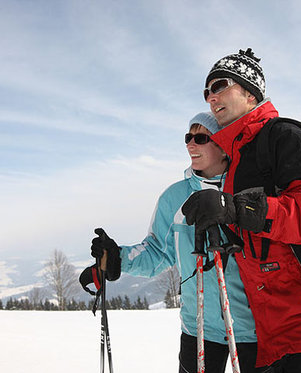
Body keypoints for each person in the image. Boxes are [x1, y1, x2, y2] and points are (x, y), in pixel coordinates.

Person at [181, 49, 301, 372]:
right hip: (272, 340)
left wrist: (237, 208)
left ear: (250, 93)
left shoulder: (282, 137)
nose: (211, 97)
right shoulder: (237, 161)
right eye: (206, 91)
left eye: (220, 85)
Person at [84, 112, 273, 373]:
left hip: (255, 328)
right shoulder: (175, 198)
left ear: (223, 146)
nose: (190, 144)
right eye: (188, 137)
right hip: (198, 327)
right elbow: (157, 253)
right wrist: (117, 256)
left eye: (200, 138)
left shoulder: (248, 193)